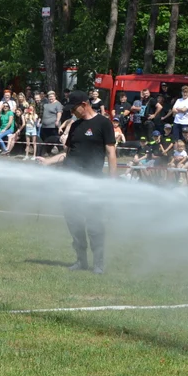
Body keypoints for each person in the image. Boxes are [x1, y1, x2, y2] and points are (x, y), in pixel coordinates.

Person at [39, 90, 117, 274]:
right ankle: (81, 261)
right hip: (70, 183)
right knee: (74, 222)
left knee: (94, 224)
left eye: (73, 109)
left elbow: (111, 153)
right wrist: (48, 162)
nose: (72, 112)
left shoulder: (103, 123)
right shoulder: (75, 126)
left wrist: (113, 182)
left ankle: (98, 264)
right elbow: (67, 154)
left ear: (84, 104)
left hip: (92, 182)